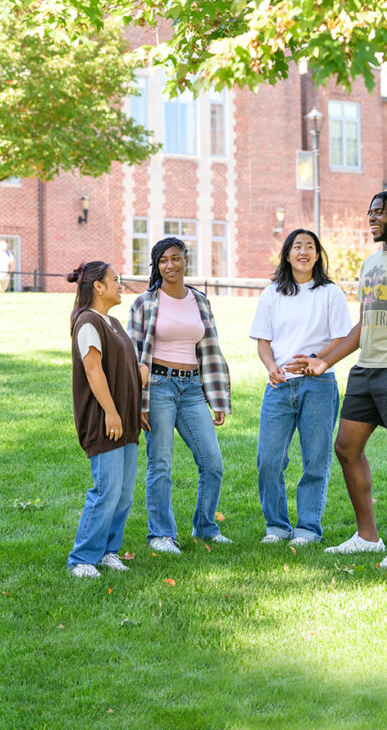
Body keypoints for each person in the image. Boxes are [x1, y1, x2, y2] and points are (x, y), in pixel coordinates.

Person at [298, 190, 387, 568]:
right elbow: (364, 323)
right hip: (366, 368)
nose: (371, 217)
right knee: (345, 447)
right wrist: (325, 361)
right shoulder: (371, 262)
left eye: (379, 212)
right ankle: (367, 537)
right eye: (370, 210)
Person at [127, 236, 232, 554]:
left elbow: (211, 350)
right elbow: (132, 355)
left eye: (175, 258)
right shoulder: (144, 303)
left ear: (186, 259)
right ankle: (161, 534)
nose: (170, 265)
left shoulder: (199, 300)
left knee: (212, 462)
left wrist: (216, 396)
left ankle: (205, 527)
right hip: (157, 386)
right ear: (156, 266)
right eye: (163, 260)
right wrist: (138, 402)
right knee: (160, 463)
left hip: (192, 388)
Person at [250, 229, 352, 545]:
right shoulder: (272, 294)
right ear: (288, 254)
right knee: (268, 460)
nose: (304, 251)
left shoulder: (330, 293)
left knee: (315, 460)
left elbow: (341, 338)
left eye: (310, 246)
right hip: (280, 387)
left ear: (318, 255)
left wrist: (313, 359)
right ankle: (277, 527)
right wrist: (272, 368)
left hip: (318, 384)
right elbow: (263, 342)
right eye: (297, 246)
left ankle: (308, 528)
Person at [66, 260, 143, 578]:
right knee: (107, 490)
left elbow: (124, 370)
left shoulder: (112, 323)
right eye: (115, 279)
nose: (120, 284)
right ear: (98, 286)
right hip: (105, 421)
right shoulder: (88, 322)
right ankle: (82, 558)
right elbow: (93, 369)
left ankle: (108, 551)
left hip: (126, 421)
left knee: (124, 493)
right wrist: (111, 412)